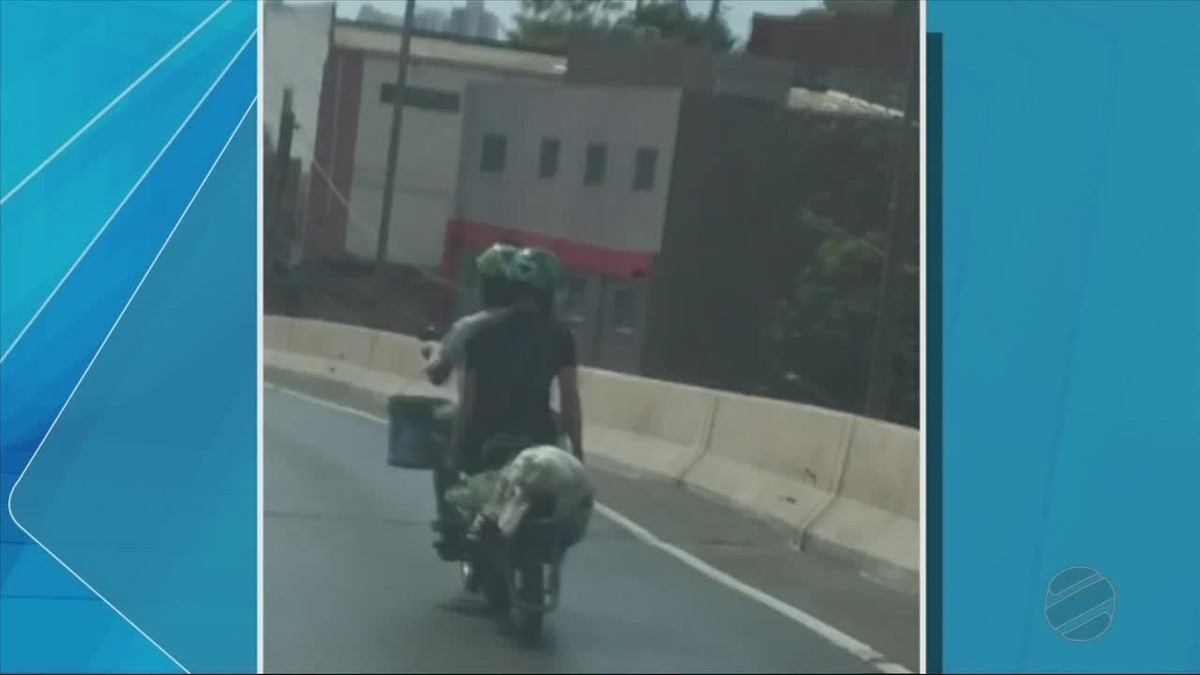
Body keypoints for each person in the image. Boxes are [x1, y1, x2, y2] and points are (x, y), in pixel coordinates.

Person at [438, 248, 585, 552]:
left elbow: (468, 401)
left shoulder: (479, 333)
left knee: (454, 471)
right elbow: (571, 401)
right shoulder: (560, 337)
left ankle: (454, 528)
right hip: (537, 438)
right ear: (548, 294)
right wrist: (578, 455)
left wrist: (454, 453)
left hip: (483, 438)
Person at [423, 242, 517, 538]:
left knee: (437, 428)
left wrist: (433, 352)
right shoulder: (540, 329)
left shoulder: (470, 327)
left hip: (476, 422)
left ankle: (449, 516)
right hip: (530, 421)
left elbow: (438, 375)